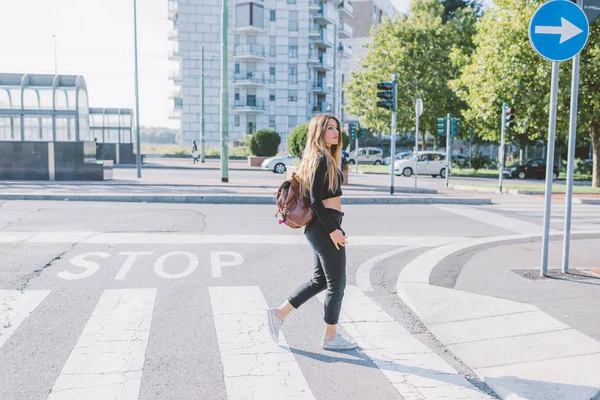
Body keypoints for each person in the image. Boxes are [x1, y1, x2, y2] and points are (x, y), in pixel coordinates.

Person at [267, 113, 356, 351]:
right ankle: (330, 337)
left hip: (322, 226)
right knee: (337, 284)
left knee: (320, 281)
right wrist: (334, 232)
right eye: (329, 128)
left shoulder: (324, 158)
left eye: (336, 128)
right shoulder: (321, 160)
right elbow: (316, 201)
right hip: (325, 227)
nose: (336, 132)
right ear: (319, 132)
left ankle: (278, 314)